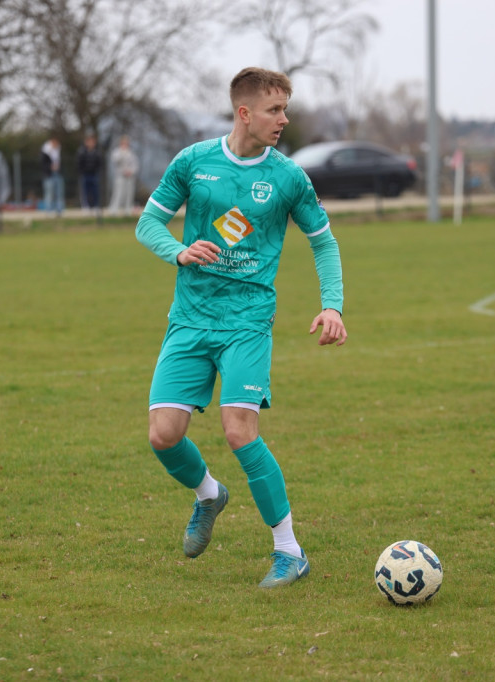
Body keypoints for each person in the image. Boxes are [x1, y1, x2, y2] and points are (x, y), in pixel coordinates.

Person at [134, 67, 347, 588]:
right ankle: (209, 494)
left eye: (286, 108)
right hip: (190, 317)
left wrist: (333, 306)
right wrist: (179, 251)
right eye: (275, 110)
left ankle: (289, 551)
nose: (284, 119)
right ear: (244, 113)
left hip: (248, 321)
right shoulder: (194, 161)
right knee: (163, 436)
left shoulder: (289, 177)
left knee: (238, 430)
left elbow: (323, 242)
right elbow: (148, 223)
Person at [107, 135, 139, 216]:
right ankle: (113, 210)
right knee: (118, 193)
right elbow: (116, 161)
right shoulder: (117, 152)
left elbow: (135, 165)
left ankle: (128, 210)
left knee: (129, 193)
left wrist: (131, 171)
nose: (125, 144)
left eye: (126, 143)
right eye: (123, 143)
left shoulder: (131, 153)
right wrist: (122, 153)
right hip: (120, 176)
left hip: (130, 176)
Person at [77, 133, 103, 213]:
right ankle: (85, 206)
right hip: (85, 174)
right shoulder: (81, 152)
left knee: (95, 191)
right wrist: (82, 171)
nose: (91, 143)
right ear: (86, 142)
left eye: (93, 142)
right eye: (89, 142)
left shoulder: (97, 153)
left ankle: (95, 206)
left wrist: (96, 170)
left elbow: (100, 163)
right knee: (85, 191)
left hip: (94, 174)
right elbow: (79, 163)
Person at [41, 136, 64, 216]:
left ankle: (59, 211)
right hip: (49, 175)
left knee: (59, 193)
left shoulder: (58, 150)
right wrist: (50, 167)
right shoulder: (45, 152)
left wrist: (58, 168)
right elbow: (42, 164)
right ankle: (48, 211)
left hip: (58, 174)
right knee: (49, 194)